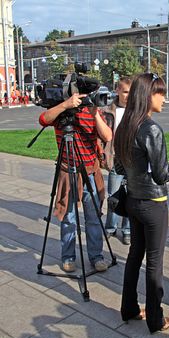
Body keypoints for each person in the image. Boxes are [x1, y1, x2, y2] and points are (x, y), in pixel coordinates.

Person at [114, 73, 169, 333]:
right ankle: (155, 319)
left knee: (135, 256)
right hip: (153, 203)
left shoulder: (125, 125)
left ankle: (129, 308)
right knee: (154, 263)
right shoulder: (151, 128)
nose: (164, 98)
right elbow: (162, 174)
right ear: (149, 96)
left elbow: (118, 165)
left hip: (134, 201)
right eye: (160, 93)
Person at [39, 94, 112, 273]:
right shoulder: (62, 111)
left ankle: (96, 256)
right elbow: (43, 119)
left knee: (94, 218)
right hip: (67, 170)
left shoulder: (94, 111)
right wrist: (65, 105)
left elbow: (108, 136)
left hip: (90, 171)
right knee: (68, 218)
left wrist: (94, 113)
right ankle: (68, 257)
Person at [101, 77, 132, 244]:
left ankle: (127, 229)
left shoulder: (136, 111)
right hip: (115, 159)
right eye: (125, 92)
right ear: (118, 91)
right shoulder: (109, 111)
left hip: (132, 161)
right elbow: (102, 136)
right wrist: (103, 154)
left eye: (131, 92)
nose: (128, 96)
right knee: (113, 195)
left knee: (131, 196)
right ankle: (110, 227)